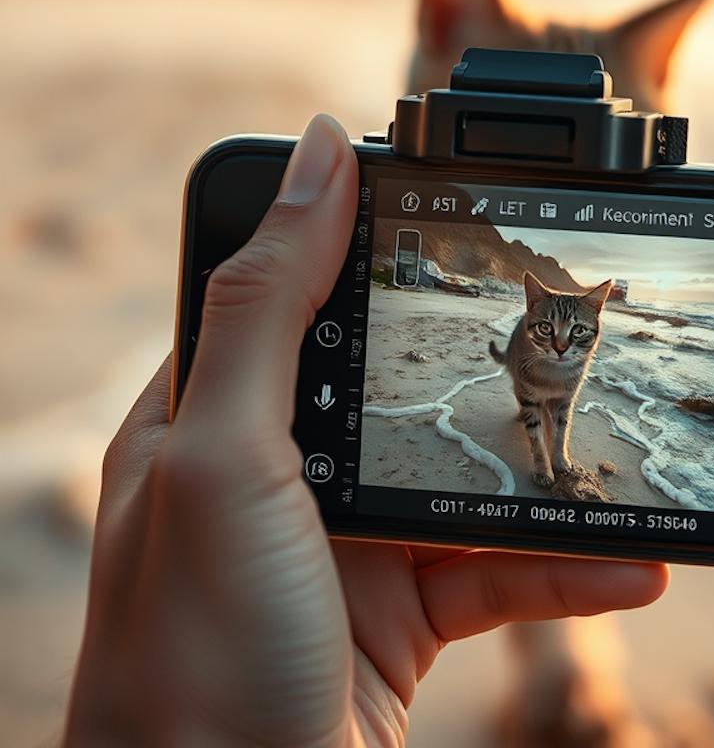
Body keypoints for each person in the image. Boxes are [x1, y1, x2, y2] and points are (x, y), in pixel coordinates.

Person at [63, 115, 669, 746]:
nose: (568, 344)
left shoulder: (574, 334)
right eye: (554, 330)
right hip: (352, 667)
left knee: (558, 417)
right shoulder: (536, 321)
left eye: (581, 335)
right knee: (532, 402)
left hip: (356, 685)